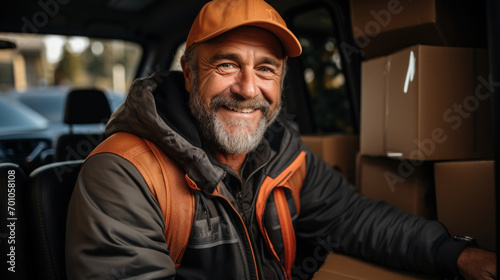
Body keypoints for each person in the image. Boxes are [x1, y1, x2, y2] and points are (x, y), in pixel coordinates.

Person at [65, 0, 497, 279]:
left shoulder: (282, 153)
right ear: (191, 73)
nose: (249, 89)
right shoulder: (124, 172)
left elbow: (353, 218)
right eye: (228, 65)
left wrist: (453, 254)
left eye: (267, 69)